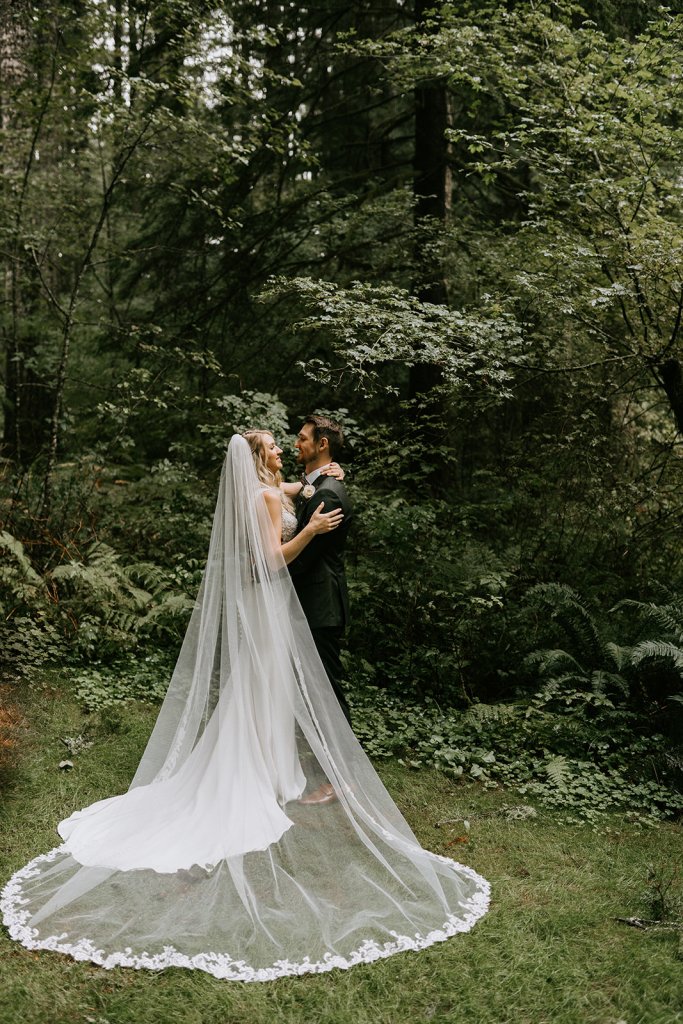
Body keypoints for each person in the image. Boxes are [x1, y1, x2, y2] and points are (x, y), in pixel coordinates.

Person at [2, 433, 489, 982]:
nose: (283, 451)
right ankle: (256, 769)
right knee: (263, 686)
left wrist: (327, 475)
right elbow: (270, 560)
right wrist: (308, 530)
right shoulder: (263, 499)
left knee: (268, 689)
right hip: (267, 602)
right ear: (259, 458)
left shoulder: (263, 488)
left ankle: (271, 765)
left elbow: (296, 485)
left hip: (270, 608)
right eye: (275, 447)